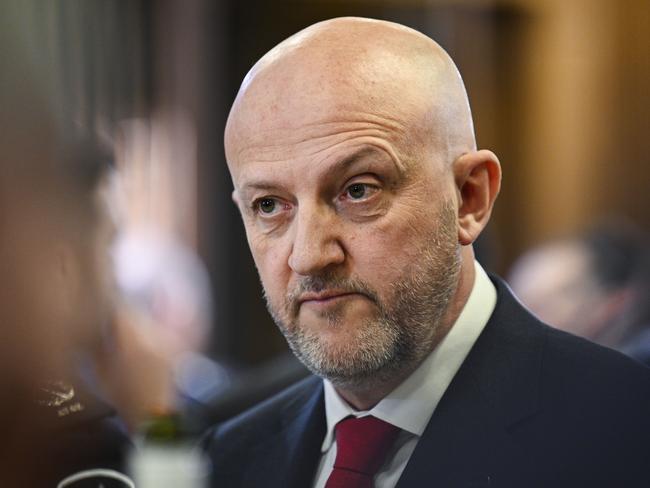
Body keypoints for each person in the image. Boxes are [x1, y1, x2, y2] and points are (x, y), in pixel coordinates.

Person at [203, 17, 650, 487]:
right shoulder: (228, 458)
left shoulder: (628, 430)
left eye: (358, 190)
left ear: (469, 197)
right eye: (269, 205)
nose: (309, 256)